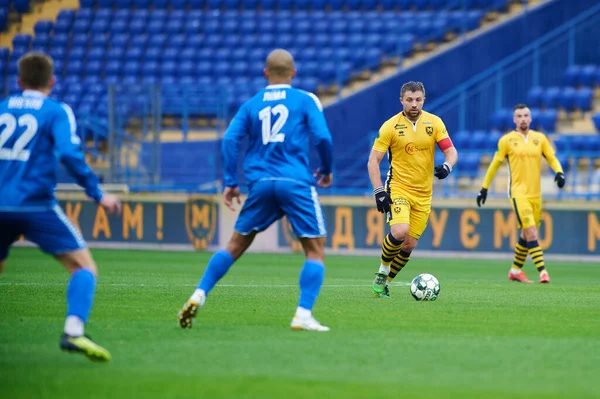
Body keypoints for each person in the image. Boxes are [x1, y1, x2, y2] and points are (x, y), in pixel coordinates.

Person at [178, 49, 334, 332]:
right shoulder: (305, 100)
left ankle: (198, 294)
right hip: (295, 181)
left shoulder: (251, 104)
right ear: (293, 73)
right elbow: (322, 137)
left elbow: (229, 140)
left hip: (260, 183)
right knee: (315, 250)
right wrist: (326, 169)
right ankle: (302, 315)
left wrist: (230, 181)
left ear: (265, 73)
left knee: (234, 246)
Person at [0, 53, 122, 361]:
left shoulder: (2, 108)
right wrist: (98, 193)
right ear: (51, 82)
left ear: (19, 81)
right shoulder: (56, 111)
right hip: (35, 205)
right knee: (83, 267)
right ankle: (73, 331)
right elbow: (69, 153)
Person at [368, 81, 458, 298]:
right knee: (399, 231)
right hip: (398, 187)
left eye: (418, 100)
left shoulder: (434, 123)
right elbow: (373, 160)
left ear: (423, 100)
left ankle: (385, 284)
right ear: (401, 101)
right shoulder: (390, 126)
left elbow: (451, 151)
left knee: (408, 245)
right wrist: (379, 191)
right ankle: (382, 271)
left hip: (424, 194)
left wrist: (447, 166)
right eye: (409, 100)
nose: (414, 104)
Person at [476, 104, 565, 284]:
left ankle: (515, 270)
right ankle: (543, 272)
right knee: (531, 232)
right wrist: (484, 188)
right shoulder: (507, 141)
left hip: (536, 194)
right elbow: (494, 165)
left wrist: (559, 172)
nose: (523, 118)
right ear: (514, 120)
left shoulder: (540, 139)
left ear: (530, 118)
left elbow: (551, 157)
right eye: (519, 116)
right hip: (518, 193)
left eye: (526, 115)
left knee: (526, 235)